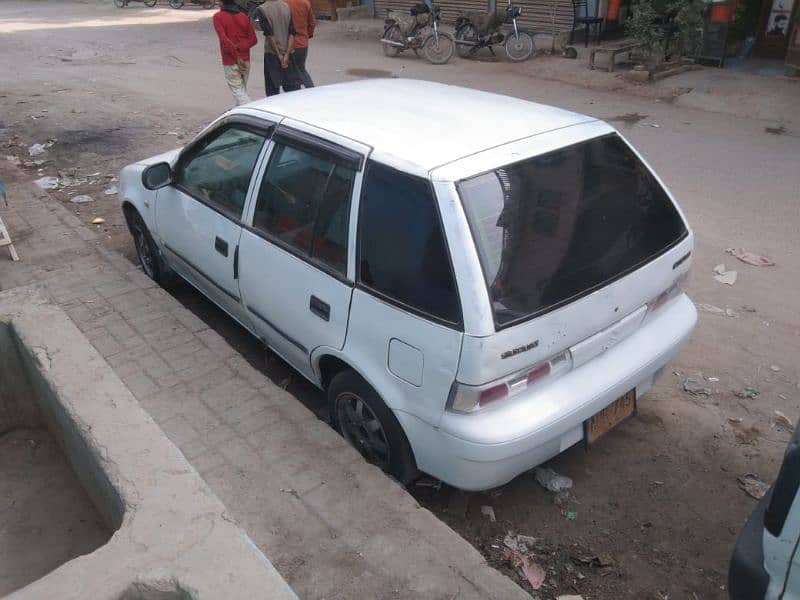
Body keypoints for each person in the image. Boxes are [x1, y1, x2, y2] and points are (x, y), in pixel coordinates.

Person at [213, 0, 257, 106]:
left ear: (222, 3)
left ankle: (252, 112)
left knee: (239, 93)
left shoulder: (218, 17)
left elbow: (224, 40)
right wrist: (240, 47)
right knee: (241, 92)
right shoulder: (243, 16)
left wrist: (237, 57)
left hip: (231, 60)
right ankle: (240, 116)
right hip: (245, 60)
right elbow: (253, 40)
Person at [257, 0, 300, 96]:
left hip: (272, 54)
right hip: (288, 53)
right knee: (292, 89)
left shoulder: (262, 9)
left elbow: (269, 35)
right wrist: (287, 54)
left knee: (272, 90)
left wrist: (279, 55)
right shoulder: (286, 6)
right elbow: (292, 32)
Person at [284, 0, 315, 88]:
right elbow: (312, 23)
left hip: (288, 44)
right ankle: (312, 92)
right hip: (303, 43)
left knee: (291, 73)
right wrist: (307, 35)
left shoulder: (283, 3)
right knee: (301, 69)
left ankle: (297, 95)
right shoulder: (305, 3)